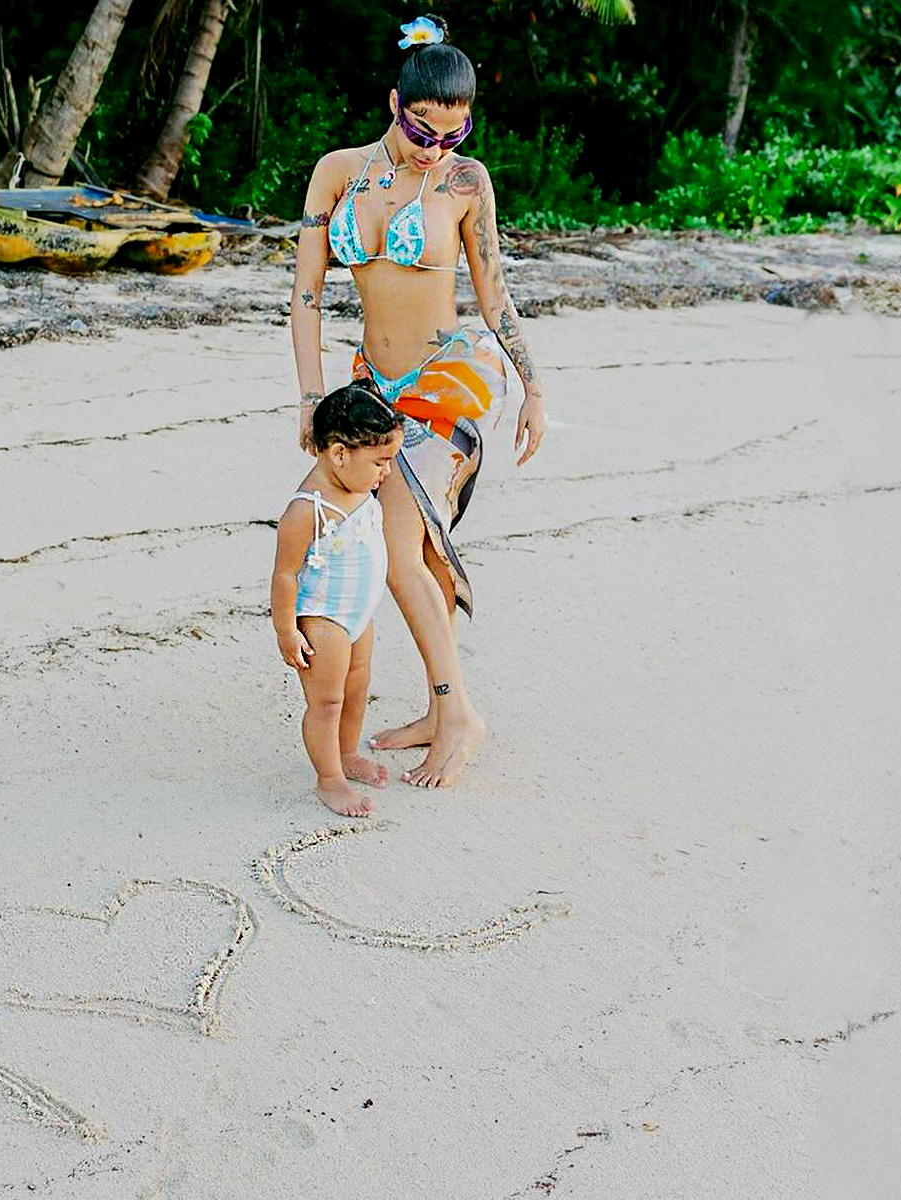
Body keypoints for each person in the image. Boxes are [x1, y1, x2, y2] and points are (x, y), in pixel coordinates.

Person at [288, 14, 548, 789]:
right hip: (372, 388)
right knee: (414, 547)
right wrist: (312, 399)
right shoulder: (338, 172)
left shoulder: (467, 183)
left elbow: (495, 297)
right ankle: (442, 713)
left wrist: (533, 386)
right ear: (395, 102)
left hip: (451, 376)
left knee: (399, 548)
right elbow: (304, 299)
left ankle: (457, 709)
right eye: (424, 130)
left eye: (454, 134)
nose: (437, 148)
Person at [270, 383, 405, 817]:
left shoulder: (360, 484)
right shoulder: (306, 510)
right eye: (380, 462)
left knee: (357, 686)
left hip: (359, 613)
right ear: (339, 453)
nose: (386, 471)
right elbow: (285, 575)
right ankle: (329, 779)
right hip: (325, 618)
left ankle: (346, 754)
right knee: (326, 701)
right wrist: (286, 630)